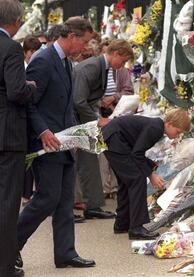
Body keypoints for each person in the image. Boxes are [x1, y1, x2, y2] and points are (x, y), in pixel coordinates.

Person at [16, 17, 96, 269]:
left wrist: (74, 135)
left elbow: (65, 105)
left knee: (64, 201)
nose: (84, 47)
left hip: (64, 141)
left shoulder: (67, 63)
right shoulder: (43, 60)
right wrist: (43, 131)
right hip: (47, 143)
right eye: (83, 42)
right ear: (71, 36)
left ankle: (65, 253)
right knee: (47, 198)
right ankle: (9, 244)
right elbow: (29, 102)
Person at [101, 108, 191, 240]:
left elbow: (136, 152)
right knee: (137, 180)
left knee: (128, 182)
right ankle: (136, 228)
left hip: (112, 138)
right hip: (115, 140)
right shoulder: (156, 128)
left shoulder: (156, 126)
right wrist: (151, 175)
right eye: (178, 132)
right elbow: (137, 154)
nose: (177, 136)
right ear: (170, 123)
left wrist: (151, 166)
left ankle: (122, 223)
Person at [72, 39, 134, 220]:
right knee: (73, 164)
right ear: (116, 54)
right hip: (80, 120)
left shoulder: (100, 66)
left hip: (86, 119)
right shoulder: (92, 67)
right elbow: (79, 100)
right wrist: (97, 120)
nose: (121, 66)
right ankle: (68, 208)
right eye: (122, 62)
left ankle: (93, 205)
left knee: (91, 162)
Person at [0, 1, 37, 276]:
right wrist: (30, 87)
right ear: (14, 22)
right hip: (7, 135)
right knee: (7, 202)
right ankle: (5, 265)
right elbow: (15, 91)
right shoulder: (11, 47)